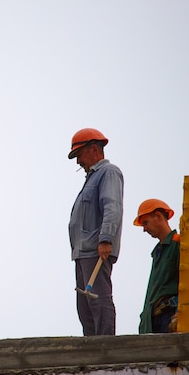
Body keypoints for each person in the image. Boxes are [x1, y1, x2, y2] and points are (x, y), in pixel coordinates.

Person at [68, 128, 123, 336]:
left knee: (99, 302)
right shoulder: (92, 178)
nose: (78, 162)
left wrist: (106, 239)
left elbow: (112, 207)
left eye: (79, 155)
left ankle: (105, 348)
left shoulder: (108, 173)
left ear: (93, 149)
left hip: (96, 250)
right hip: (84, 253)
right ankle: (91, 350)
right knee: (85, 309)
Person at [133, 199, 180, 334]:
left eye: (145, 223)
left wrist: (178, 314)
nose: (144, 229)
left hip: (169, 315)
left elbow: (187, 283)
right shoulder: (157, 253)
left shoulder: (177, 244)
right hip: (153, 319)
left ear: (158, 216)